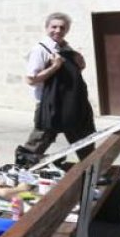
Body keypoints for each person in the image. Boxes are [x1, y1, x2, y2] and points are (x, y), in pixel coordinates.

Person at [16, 13, 96, 166]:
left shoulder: (66, 47)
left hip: (70, 104)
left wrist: (81, 64)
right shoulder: (40, 50)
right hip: (49, 106)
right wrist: (55, 66)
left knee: (84, 141)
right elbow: (31, 79)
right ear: (47, 28)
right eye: (54, 27)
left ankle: (94, 173)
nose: (58, 30)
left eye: (62, 27)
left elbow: (73, 73)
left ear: (67, 30)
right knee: (36, 145)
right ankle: (21, 173)